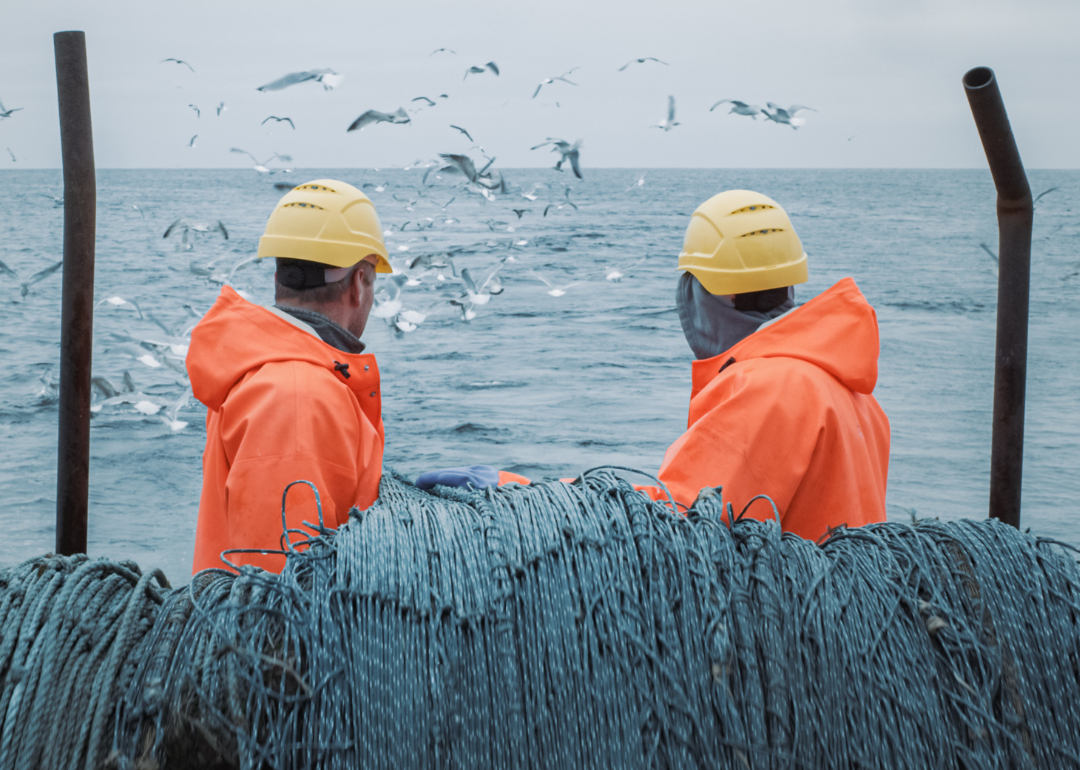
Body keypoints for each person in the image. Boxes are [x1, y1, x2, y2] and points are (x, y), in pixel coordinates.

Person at [646, 189, 890, 539]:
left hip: (792, 594)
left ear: (720, 294)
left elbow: (678, 525)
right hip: (847, 591)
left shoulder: (764, 390)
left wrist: (546, 498)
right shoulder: (855, 395)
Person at [187, 180, 393, 573]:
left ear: (279, 275)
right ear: (359, 283)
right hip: (271, 632)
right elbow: (277, 588)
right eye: (373, 279)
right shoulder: (298, 397)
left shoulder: (270, 369)